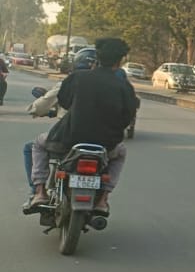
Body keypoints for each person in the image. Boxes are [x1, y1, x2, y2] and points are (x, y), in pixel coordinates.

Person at [25, 38, 137, 216]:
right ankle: (102, 200)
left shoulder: (78, 78)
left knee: (38, 145)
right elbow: (128, 115)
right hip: (106, 145)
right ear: (121, 59)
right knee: (120, 153)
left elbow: (65, 101)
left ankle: (39, 192)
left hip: (67, 140)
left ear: (98, 57)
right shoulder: (124, 86)